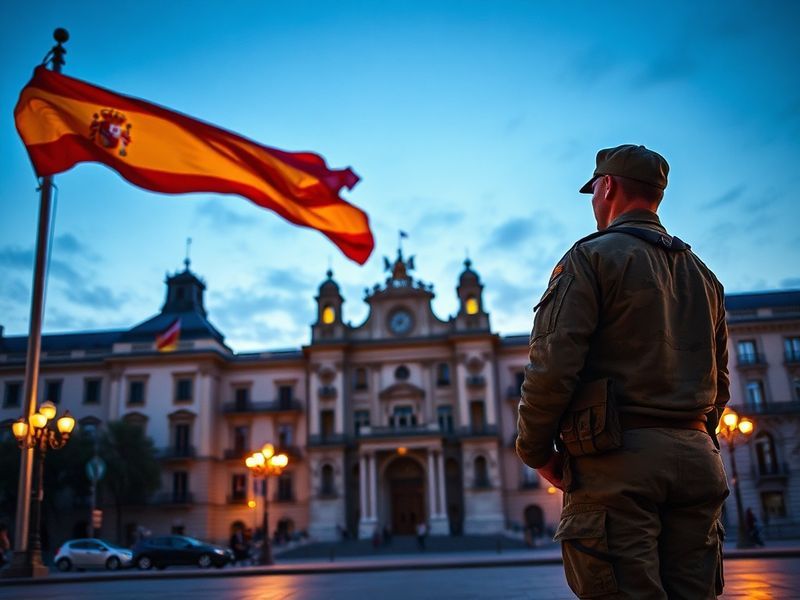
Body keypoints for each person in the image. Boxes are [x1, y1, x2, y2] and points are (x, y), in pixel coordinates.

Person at [516, 144, 730, 599]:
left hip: (617, 464)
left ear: (607, 186)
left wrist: (535, 450)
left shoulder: (590, 258)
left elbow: (553, 366)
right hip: (697, 463)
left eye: (593, 189)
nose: (593, 200)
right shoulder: (704, 276)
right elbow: (721, 383)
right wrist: (695, 436)